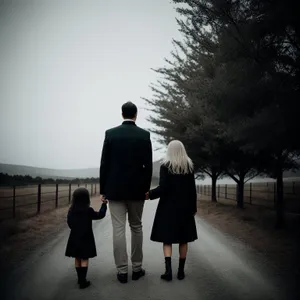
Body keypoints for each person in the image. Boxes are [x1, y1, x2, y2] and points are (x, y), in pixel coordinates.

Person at [99, 101, 153, 284]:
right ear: (135, 115)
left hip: (114, 190)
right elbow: (148, 166)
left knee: (118, 229)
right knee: (136, 227)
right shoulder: (145, 135)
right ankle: (137, 268)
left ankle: (122, 271)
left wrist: (103, 190)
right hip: (137, 190)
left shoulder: (110, 134)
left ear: (122, 114)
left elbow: (104, 164)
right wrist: (146, 188)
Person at [147, 140, 198, 281]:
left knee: (167, 239)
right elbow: (192, 190)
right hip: (185, 208)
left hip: (168, 207)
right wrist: (193, 207)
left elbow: (163, 188)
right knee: (184, 239)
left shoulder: (165, 166)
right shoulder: (188, 166)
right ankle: (181, 272)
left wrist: (149, 195)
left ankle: (168, 271)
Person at [65, 187, 107, 289]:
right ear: (86, 199)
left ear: (74, 199)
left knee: (77, 258)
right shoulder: (88, 210)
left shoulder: (71, 211)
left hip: (74, 237)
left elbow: (69, 223)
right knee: (84, 258)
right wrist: (104, 205)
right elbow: (100, 215)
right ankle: (83, 281)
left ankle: (79, 279)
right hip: (86, 238)